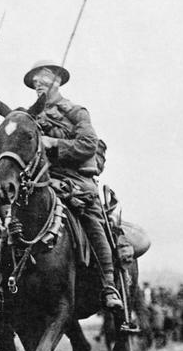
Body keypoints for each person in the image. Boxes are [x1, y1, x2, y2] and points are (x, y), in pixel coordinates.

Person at [24, 59, 123, 310]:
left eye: (43, 79)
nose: (38, 84)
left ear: (57, 81)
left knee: (92, 218)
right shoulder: (30, 115)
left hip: (76, 179)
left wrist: (54, 144)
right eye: (34, 81)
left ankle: (109, 283)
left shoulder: (76, 112)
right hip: (44, 179)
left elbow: (88, 145)